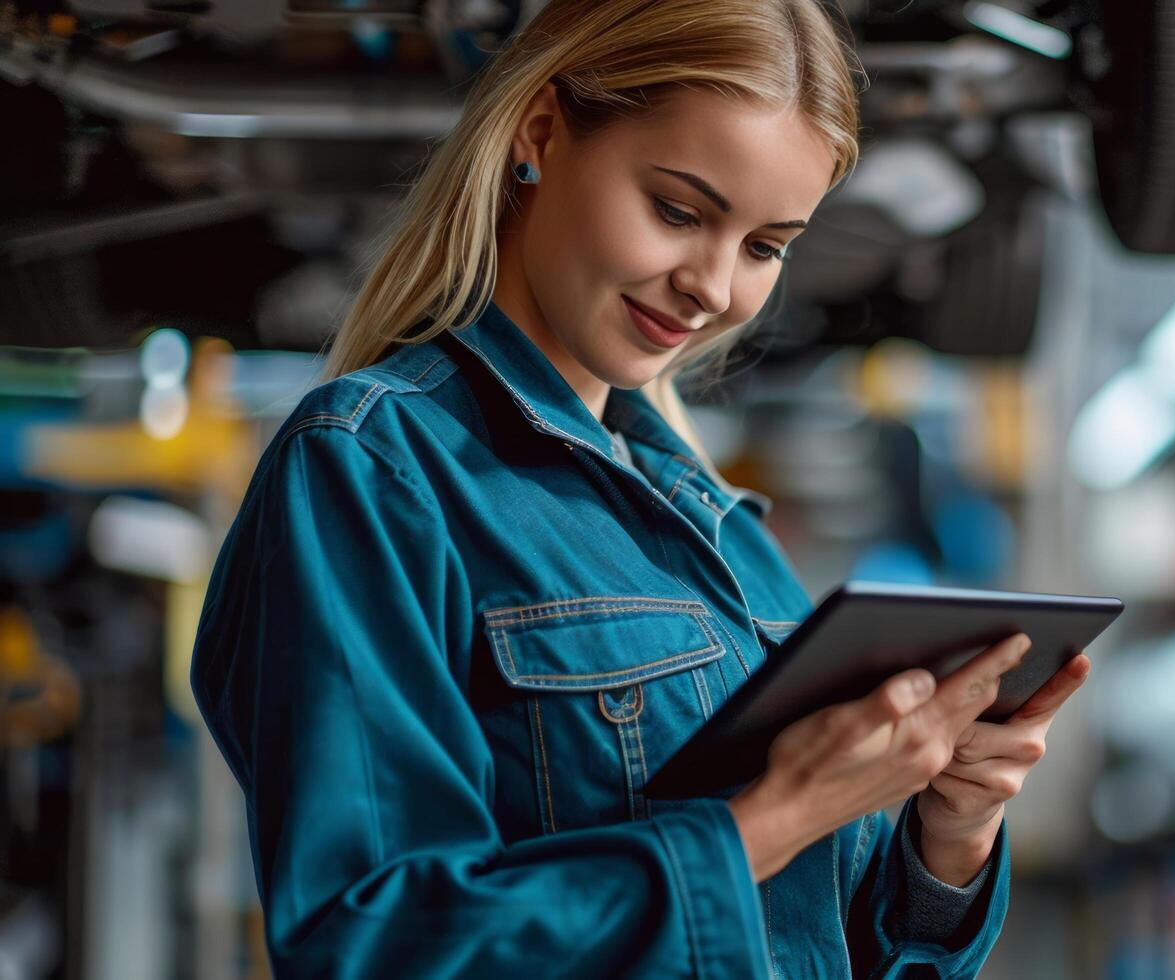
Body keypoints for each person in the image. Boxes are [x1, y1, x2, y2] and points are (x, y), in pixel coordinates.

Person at [187, 0, 1092, 976]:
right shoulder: (375, 468)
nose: (713, 286)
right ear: (539, 132)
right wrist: (773, 815)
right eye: (677, 210)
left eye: (763, 246)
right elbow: (373, 947)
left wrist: (946, 837)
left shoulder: (722, 536)